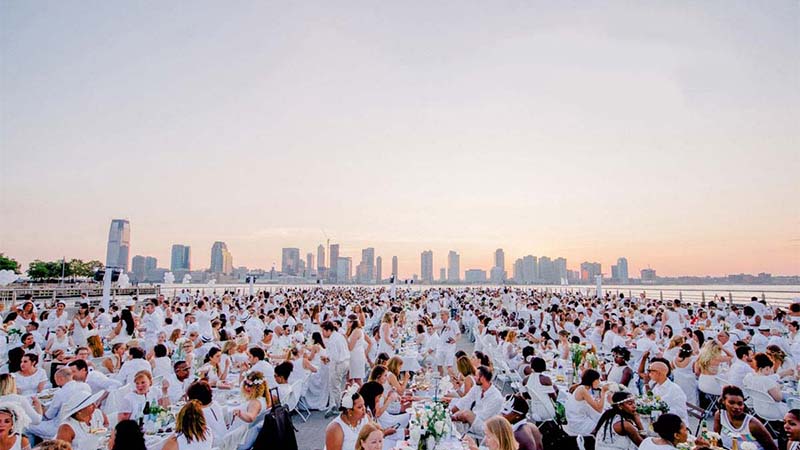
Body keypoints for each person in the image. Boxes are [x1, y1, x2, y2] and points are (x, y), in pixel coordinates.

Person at [713, 385, 777, 450]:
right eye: (731, 402)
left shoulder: (753, 425)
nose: (736, 407)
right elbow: (717, 439)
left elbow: (772, 448)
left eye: (740, 404)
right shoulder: (720, 415)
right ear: (723, 401)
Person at [450, 365, 504, 438]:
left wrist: (464, 416)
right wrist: (451, 411)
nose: (474, 378)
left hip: (486, 426)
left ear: (482, 378)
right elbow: (465, 400)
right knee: (456, 409)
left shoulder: (496, 397)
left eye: (476, 376)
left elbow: (484, 416)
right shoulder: (477, 387)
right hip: (475, 420)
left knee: (466, 413)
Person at [565, 369, 609, 436]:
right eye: (598, 380)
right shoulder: (582, 390)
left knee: (600, 419)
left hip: (575, 419)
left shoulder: (583, 388)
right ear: (592, 380)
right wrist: (603, 392)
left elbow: (595, 403)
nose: (599, 382)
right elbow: (599, 409)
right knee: (603, 427)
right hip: (577, 423)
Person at [325, 385, 369, 450]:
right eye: (360, 407)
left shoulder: (365, 418)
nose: (364, 409)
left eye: (364, 405)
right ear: (349, 411)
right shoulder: (335, 429)